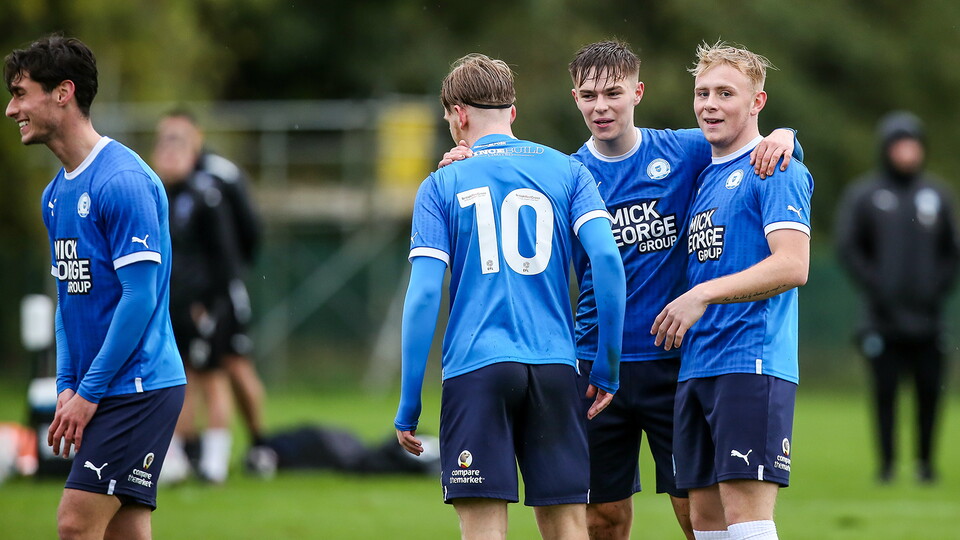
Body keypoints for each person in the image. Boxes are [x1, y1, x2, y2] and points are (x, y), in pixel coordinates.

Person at [441, 39, 800, 540]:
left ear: (638, 92)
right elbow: (501, 185)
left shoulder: (685, 149)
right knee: (600, 516)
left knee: (694, 510)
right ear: (575, 99)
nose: (601, 106)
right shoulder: (564, 173)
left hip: (674, 361)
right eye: (588, 95)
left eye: (613, 92)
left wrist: (785, 135)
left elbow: (745, 146)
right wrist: (465, 157)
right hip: (592, 363)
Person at [394, 53, 626, 540]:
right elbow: (606, 264)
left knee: (483, 528)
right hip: (555, 365)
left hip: (476, 368)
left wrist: (409, 402)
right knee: (566, 525)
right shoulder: (568, 171)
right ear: (512, 113)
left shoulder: (441, 183)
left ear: (459, 114)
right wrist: (606, 364)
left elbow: (423, 296)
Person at [5, 34, 186, 539]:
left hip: (138, 387)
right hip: (103, 389)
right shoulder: (54, 196)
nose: (10, 109)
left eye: (21, 93)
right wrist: (66, 387)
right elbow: (68, 301)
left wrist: (87, 392)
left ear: (63, 93)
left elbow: (139, 298)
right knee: (122, 532)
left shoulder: (121, 181)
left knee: (74, 524)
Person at [651, 42, 813, 540]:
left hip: (751, 363)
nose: (710, 105)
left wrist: (702, 295)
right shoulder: (705, 175)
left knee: (748, 521)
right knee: (706, 524)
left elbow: (793, 264)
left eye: (726, 93)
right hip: (698, 366)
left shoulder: (776, 168)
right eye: (702, 93)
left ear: (757, 102)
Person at [835, 111, 959, 484]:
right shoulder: (866, 194)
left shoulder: (936, 194)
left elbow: (952, 250)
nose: (907, 153)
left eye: (913, 145)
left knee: (930, 396)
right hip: (882, 319)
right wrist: (878, 286)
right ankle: (887, 467)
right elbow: (848, 246)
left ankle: (925, 465)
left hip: (929, 319)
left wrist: (936, 288)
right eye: (899, 146)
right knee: (885, 396)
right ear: (887, 149)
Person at [152, 111, 248, 484]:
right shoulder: (159, 196)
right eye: (164, 151)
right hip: (170, 306)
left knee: (212, 377)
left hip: (204, 307)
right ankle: (176, 458)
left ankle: (215, 462)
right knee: (176, 379)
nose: (169, 158)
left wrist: (209, 303)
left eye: (177, 150)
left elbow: (226, 257)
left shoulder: (206, 196)